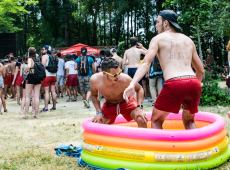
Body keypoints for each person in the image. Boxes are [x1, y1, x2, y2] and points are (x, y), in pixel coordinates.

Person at [124, 10, 205, 130]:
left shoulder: (158, 39)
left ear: (166, 23)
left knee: (156, 120)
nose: (156, 25)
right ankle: (196, 148)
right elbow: (201, 71)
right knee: (189, 120)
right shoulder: (188, 40)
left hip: (175, 83)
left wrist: (132, 83)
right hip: (194, 82)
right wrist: (189, 86)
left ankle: (159, 149)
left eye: (157, 22)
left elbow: (146, 63)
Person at [91, 58, 147, 127]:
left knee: (141, 119)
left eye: (119, 72)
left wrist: (140, 108)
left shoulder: (124, 79)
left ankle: (142, 137)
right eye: (114, 75)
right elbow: (94, 95)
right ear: (104, 73)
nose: (118, 76)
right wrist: (98, 112)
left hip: (126, 102)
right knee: (97, 123)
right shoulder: (95, 80)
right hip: (109, 105)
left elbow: (139, 89)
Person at [24, 47, 41, 119]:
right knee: (36, 96)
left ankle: (26, 114)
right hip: (38, 78)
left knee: (27, 96)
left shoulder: (30, 59)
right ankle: (36, 114)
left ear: (29, 52)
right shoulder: (37, 59)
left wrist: (25, 70)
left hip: (31, 77)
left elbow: (29, 66)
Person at [41, 45, 57, 112]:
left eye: (44, 49)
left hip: (47, 76)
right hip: (53, 76)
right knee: (53, 91)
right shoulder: (53, 57)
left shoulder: (44, 56)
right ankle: (54, 106)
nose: (42, 50)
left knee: (46, 92)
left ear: (47, 50)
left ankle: (46, 107)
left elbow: (43, 66)